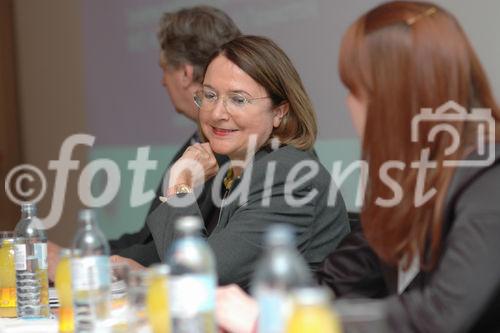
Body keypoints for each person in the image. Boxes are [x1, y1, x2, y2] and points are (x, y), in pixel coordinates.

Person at [215, 1, 500, 332]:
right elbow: (342, 278)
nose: (349, 104)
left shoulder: (489, 177)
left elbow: (440, 314)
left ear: (393, 97)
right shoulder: (409, 176)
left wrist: (278, 321)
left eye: (355, 91)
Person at [47, 5, 241, 279]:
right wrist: (75, 256)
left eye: (164, 69)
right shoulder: (196, 142)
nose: (162, 81)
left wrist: (76, 264)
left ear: (185, 74)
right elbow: (149, 237)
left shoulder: (228, 148)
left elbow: (179, 251)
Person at [146, 35, 350, 290]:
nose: (217, 113)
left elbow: (200, 277)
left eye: (238, 99)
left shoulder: (286, 174)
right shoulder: (243, 168)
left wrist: (180, 185)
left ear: (279, 112)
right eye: (209, 95)